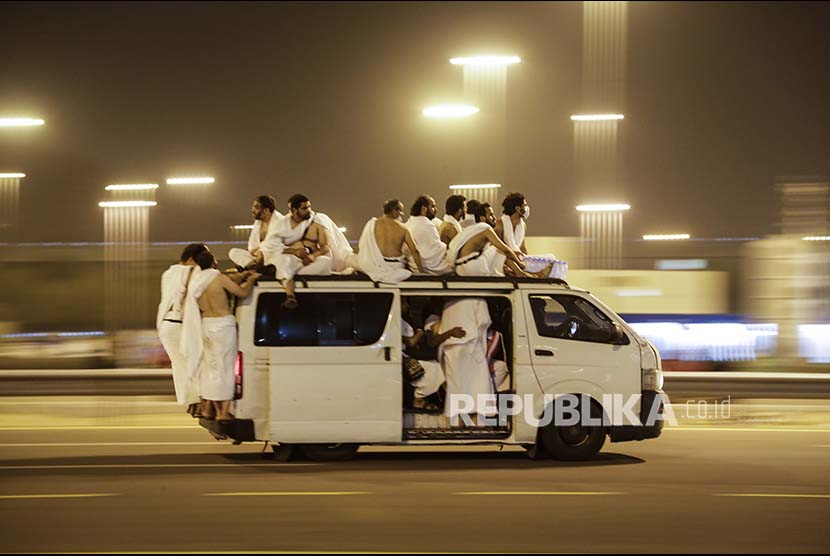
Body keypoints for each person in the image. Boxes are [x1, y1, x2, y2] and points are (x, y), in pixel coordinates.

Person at [181, 251, 260, 422]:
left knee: (211, 369)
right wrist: (251, 280)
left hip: (205, 326)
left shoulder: (197, 281)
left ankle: (209, 409)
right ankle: (223, 413)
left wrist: (243, 274)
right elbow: (242, 293)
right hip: (222, 326)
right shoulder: (218, 278)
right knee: (225, 369)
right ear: (213, 262)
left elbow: (230, 282)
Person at [157, 243, 209, 412]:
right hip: (180, 325)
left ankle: (191, 402)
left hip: (166, 326)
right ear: (192, 259)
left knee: (179, 365)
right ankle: (200, 402)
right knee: (198, 360)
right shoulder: (194, 272)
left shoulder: (168, 273)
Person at [269, 194, 333, 309]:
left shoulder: (317, 224)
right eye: (304, 208)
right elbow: (274, 247)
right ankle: (290, 290)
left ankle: (286, 278)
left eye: (309, 207)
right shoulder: (282, 225)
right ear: (294, 210)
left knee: (326, 262)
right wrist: (294, 252)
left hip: (308, 263)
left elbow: (325, 247)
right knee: (284, 261)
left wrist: (313, 256)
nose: (309, 210)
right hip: (291, 260)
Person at [437, 297, 494, 424]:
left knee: (457, 391)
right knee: (478, 391)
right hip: (472, 348)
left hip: (451, 350)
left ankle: (456, 425)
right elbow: (484, 321)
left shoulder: (448, 303)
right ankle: (477, 426)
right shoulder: (478, 300)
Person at [447, 203, 527, 277]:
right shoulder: (486, 229)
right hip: (471, 267)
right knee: (498, 249)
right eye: (491, 215)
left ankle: (513, 272)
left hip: (460, 268)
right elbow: (506, 250)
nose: (494, 218)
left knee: (495, 251)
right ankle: (520, 273)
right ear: (482, 218)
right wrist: (520, 264)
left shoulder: (474, 229)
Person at [356, 199, 424, 282]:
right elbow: (414, 250)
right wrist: (422, 272)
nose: (401, 214)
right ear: (395, 211)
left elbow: (363, 246)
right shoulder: (403, 228)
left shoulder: (372, 224)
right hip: (397, 267)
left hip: (375, 267)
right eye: (401, 211)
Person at [228, 195, 282, 272]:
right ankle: (255, 268)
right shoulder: (258, 222)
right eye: (253, 207)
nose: (252, 210)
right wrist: (259, 252)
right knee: (233, 252)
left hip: (273, 258)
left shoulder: (280, 222)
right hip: (257, 259)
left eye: (256, 207)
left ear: (266, 210)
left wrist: (262, 251)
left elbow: (275, 247)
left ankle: (251, 268)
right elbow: (252, 248)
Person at [406, 195, 452, 276]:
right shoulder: (426, 224)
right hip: (430, 268)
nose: (435, 209)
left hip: (414, 267)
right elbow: (436, 250)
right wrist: (448, 247)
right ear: (424, 209)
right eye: (433, 206)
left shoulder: (409, 223)